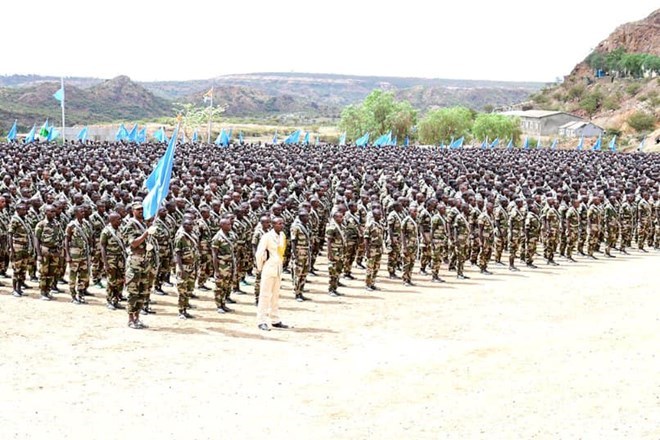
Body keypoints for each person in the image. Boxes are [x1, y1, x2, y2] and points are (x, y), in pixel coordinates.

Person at [121, 202, 153, 329]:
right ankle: (130, 319)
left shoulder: (143, 224)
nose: (141, 211)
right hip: (135, 261)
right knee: (133, 291)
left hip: (144, 260)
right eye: (138, 209)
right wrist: (146, 234)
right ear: (132, 211)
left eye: (142, 209)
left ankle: (137, 317)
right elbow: (133, 243)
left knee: (142, 291)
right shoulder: (130, 224)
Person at [255, 217, 289, 331]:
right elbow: (259, 254)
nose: (281, 225)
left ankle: (275, 319)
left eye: (282, 223)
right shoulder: (267, 237)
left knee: (275, 295)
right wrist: (260, 268)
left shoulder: (282, 235)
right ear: (273, 225)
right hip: (269, 268)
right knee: (264, 295)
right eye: (279, 223)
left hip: (278, 268)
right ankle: (261, 321)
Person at [34, 204, 63, 300]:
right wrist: (38, 254)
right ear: (46, 212)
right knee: (43, 272)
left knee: (52, 272)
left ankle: (48, 291)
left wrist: (59, 249)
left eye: (54, 211)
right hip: (45, 250)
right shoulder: (41, 224)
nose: (53, 213)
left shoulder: (57, 224)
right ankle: (43, 292)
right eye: (51, 211)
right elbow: (37, 239)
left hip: (54, 251)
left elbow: (60, 237)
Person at [99, 212, 126, 309]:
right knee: (111, 280)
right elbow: (102, 247)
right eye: (118, 219)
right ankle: (109, 300)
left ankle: (116, 300)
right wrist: (105, 263)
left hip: (120, 258)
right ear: (113, 221)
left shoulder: (120, 229)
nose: (120, 221)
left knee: (120, 280)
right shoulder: (106, 231)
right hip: (111, 258)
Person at [65, 205, 91, 304]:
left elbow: (89, 237)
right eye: (81, 212)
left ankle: (81, 294)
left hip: (84, 254)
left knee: (83, 276)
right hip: (74, 255)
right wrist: (67, 255)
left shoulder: (86, 224)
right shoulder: (71, 225)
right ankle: (73, 295)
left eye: (84, 212)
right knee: (73, 276)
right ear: (76, 214)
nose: (83, 213)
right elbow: (66, 240)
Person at [174, 219, 198, 319]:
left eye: (192, 224)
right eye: (189, 225)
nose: (191, 226)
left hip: (192, 266)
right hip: (183, 267)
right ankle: (181, 311)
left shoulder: (192, 236)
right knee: (182, 290)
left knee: (189, 289)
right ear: (184, 225)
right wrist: (181, 269)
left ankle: (185, 309)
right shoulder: (180, 237)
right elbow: (177, 254)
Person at [211, 218, 235, 314]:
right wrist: (216, 270)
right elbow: (214, 255)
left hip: (229, 265)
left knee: (226, 286)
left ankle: (223, 303)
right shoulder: (217, 238)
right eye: (227, 224)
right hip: (221, 266)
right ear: (221, 226)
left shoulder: (230, 235)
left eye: (230, 224)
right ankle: (219, 305)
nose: (230, 226)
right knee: (219, 287)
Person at [290, 209, 312, 302]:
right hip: (299, 253)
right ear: (301, 217)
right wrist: (294, 255)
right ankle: (296, 293)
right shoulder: (296, 227)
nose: (308, 218)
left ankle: (301, 292)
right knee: (298, 274)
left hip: (306, 252)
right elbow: (293, 241)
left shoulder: (306, 226)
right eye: (306, 216)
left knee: (304, 273)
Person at [363, 208, 385, 291]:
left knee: (376, 267)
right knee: (370, 267)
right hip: (372, 248)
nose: (380, 216)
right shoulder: (370, 225)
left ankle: (372, 283)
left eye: (380, 214)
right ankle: (367, 284)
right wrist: (367, 251)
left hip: (379, 248)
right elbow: (366, 239)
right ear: (374, 215)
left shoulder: (380, 224)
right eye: (379, 214)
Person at [325, 210, 345, 297]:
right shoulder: (332, 227)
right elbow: (328, 241)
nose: (341, 218)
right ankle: (331, 289)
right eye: (339, 217)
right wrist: (330, 253)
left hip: (340, 252)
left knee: (338, 271)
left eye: (342, 216)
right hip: (334, 252)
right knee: (333, 272)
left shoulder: (341, 226)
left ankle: (335, 288)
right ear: (335, 218)